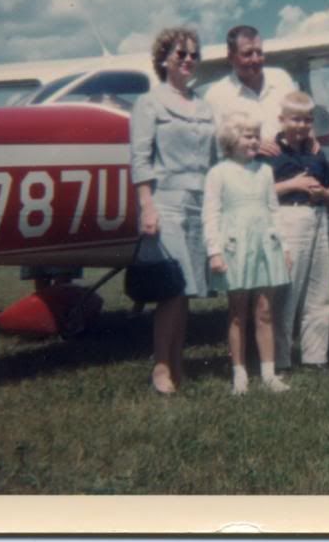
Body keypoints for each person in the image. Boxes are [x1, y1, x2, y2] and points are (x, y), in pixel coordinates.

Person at [129, 27, 216, 395]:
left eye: (194, 54)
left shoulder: (205, 106)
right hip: (166, 203)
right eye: (181, 54)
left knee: (187, 291)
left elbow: (216, 157)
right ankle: (161, 367)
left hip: (199, 204)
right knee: (172, 290)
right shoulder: (149, 103)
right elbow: (140, 159)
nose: (188, 60)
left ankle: (177, 363)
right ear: (163, 59)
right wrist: (147, 207)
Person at [202, 112, 292, 395]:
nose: (255, 141)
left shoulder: (264, 171)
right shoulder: (218, 173)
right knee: (237, 312)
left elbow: (274, 210)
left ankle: (269, 374)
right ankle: (239, 374)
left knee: (264, 310)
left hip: (265, 245)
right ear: (231, 140)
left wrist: (285, 247)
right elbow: (211, 214)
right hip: (235, 247)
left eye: (257, 136)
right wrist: (214, 252)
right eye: (248, 136)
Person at [267, 91, 329, 371]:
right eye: (295, 119)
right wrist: (293, 185)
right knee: (287, 291)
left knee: (319, 291)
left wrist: (323, 193)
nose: (301, 125)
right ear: (282, 120)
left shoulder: (316, 153)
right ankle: (280, 359)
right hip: (289, 217)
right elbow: (259, 192)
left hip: (317, 216)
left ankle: (315, 356)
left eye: (307, 120)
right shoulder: (271, 153)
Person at [204, 25, 297, 156]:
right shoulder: (216, 96)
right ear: (231, 57)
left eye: (259, 52)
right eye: (247, 54)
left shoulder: (282, 78)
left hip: (292, 160)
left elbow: (302, 117)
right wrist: (252, 146)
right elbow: (219, 148)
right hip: (248, 167)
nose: (255, 59)